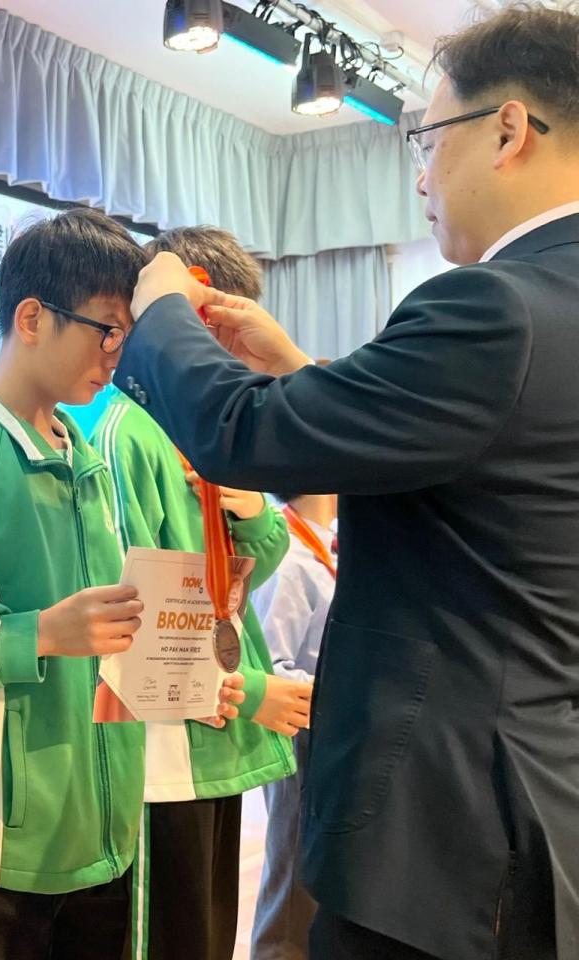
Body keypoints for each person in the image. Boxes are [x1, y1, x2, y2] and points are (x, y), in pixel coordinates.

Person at [113, 6, 579, 959]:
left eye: (427, 142)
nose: (421, 176)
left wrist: (158, 311)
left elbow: (239, 432)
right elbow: (477, 481)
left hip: (445, 839)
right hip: (528, 798)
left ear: (508, 130)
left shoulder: (496, 308)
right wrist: (299, 370)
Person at [0, 208, 242, 960]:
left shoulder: (89, 459)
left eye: (125, 335)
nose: (116, 354)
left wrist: (192, 680)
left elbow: (121, 629)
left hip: (104, 833)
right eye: (105, 329)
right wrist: (37, 634)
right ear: (32, 318)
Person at [92, 226, 306, 960]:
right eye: (224, 330)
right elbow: (140, 617)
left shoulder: (199, 432)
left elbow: (237, 581)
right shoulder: (131, 434)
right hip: (164, 747)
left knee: (209, 937)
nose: (235, 356)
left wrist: (254, 512)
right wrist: (249, 691)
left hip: (211, 739)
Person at [249, 492, 338, 960]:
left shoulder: (330, 544)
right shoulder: (288, 557)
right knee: (293, 886)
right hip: (301, 733)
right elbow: (269, 666)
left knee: (317, 880)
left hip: (333, 732)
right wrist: (342, 689)